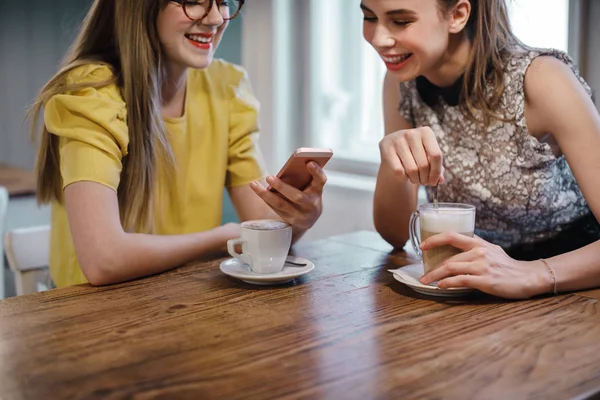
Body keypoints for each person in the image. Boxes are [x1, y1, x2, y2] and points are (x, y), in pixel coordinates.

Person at [29, 0, 327, 288]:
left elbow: (260, 225)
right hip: (87, 318)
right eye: (191, 1)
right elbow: (102, 260)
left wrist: (299, 216)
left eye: (222, 1)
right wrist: (221, 237)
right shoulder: (92, 92)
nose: (215, 18)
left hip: (184, 301)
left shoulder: (227, 87)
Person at [362, 0, 600, 298]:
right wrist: (391, 160)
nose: (378, 38)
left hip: (573, 290)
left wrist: (532, 273)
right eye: (369, 17)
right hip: (479, 289)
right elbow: (395, 234)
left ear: (458, 15)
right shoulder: (403, 80)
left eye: (400, 21)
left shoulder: (542, 79)